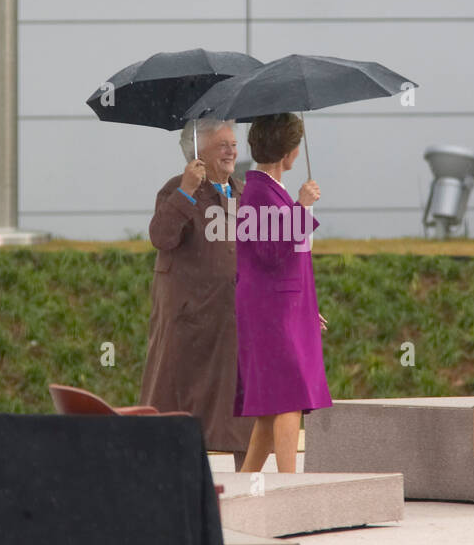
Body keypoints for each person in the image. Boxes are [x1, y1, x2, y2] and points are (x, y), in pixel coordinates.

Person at [140, 119, 254, 468]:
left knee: (238, 411)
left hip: (232, 321)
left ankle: (247, 486)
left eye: (234, 144)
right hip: (189, 322)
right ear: (198, 152)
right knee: (180, 405)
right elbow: (161, 236)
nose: (232, 151)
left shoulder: (243, 192)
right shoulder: (177, 188)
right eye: (223, 145)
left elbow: (265, 255)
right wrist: (187, 191)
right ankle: (171, 479)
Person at [234, 113, 331, 473]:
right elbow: (271, 253)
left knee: (273, 403)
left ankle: (247, 480)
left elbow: (289, 258)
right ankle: (289, 485)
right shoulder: (259, 192)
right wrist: (303, 208)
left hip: (283, 306)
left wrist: (307, 308)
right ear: (288, 151)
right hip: (271, 309)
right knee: (289, 396)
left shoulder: (267, 189)